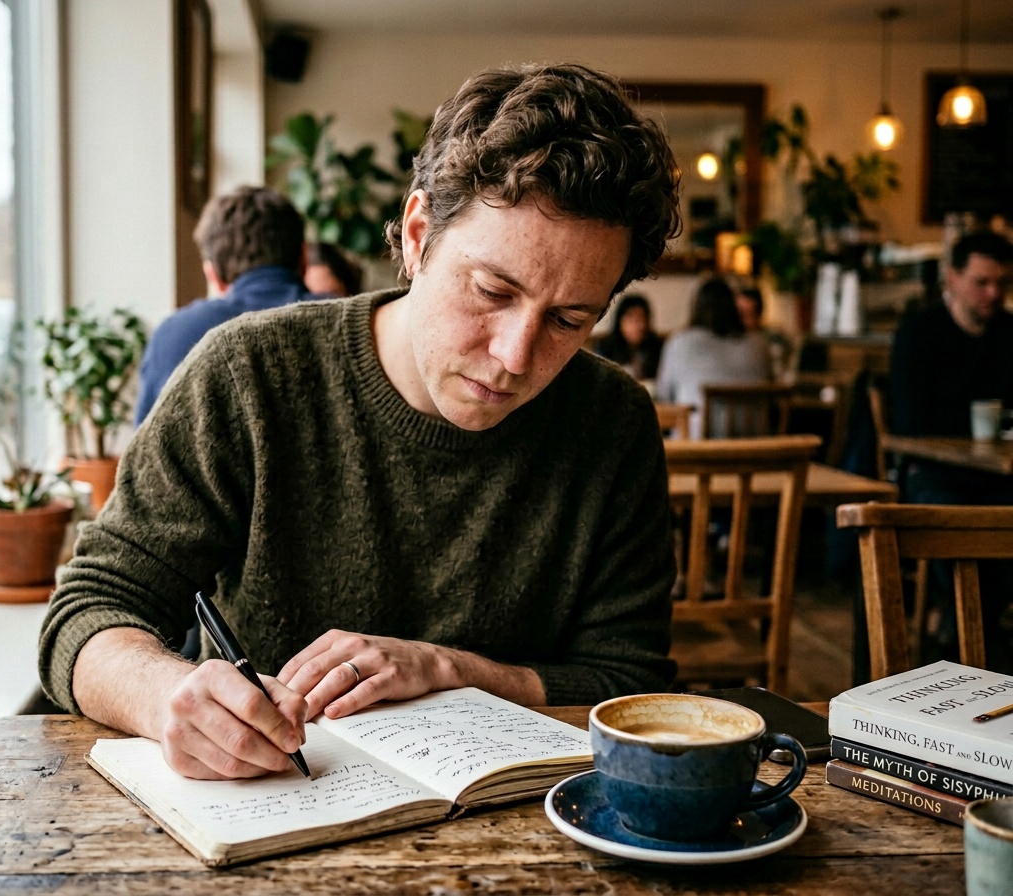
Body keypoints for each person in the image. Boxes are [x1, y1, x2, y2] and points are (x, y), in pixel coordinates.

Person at [40, 62, 682, 781]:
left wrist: (448, 668)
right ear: (417, 235)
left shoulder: (612, 420)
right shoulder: (249, 375)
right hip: (270, 810)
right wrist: (166, 698)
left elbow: (631, 680)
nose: (515, 356)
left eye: (569, 320)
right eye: (492, 290)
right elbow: (89, 610)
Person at [889, 229, 1013, 670]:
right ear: (953, 278)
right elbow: (908, 426)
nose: (993, 293)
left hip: (996, 475)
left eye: (1001, 283)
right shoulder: (920, 333)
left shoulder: (1007, 333)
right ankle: (972, 633)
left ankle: (969, 630)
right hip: (933, 473)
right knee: (956, 517)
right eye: (982, 282)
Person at [132, 186, 313, 425]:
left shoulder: (174, 335)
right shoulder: (354, 321)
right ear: (305, 257)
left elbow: (145, 458)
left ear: (213, 275)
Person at [655, 277, 772, 436]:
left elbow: (664, 397)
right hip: (755, 447)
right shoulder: (759, 344)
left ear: (696, 307)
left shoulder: (679, 342)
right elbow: (770, 392)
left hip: (696, 449)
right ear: (733, 306)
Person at [595, 293, 663, 381]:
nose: (638, 325)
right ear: (620, 321)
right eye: (631, 319)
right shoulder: (605, 347)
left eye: (641, 318)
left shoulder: (657, 347)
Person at [734, 285, 794, 382]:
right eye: (738, 314)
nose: (740, 320)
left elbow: (779, 375)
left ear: (759, 315)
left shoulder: (774, 340)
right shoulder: (732, 341)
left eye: (746, 314)